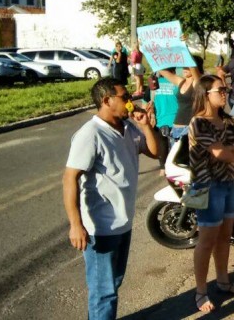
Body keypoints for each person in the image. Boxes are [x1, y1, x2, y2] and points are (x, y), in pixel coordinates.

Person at [62, 78, 160, 320]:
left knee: (112, 285)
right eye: (125, 97)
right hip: (100, 228)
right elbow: (69, 179)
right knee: (104, 292)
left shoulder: (128, 128)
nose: (131, 102)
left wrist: (147, 126)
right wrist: (76, 225)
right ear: (107, 101)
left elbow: (157, 152)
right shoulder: (90, 134)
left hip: (122, 223)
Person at [187, 75, 234, 312]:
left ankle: (223, 281)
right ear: (206, 94)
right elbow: (219, 154)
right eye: (220, 90)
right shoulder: (198, 122)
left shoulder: (227, 121)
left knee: (225, 237)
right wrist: (231, 152)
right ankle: (201, 292)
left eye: (225, 90)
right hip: (206, 186)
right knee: (207, 240)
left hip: (228, 183)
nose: (225, 94)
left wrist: (231, 150)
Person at [158, 56, 203, 145]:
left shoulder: (198, 83)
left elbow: (193, 68)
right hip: (175, 129)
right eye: (183, 66)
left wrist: (184, 50)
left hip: (189, 129)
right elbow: (162, 71)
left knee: (188, 158)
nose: (184, 68)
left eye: (187, 66)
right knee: (175, 158)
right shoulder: (181, 82)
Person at [152, 68, 179, 176]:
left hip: (160, 120)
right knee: (176, 147)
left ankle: (163, 168)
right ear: (173, 71)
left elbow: (147, 101)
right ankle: (175, 167)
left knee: (162, 145)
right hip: (176, 120)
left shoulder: (154, 83)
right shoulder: (177, 83)